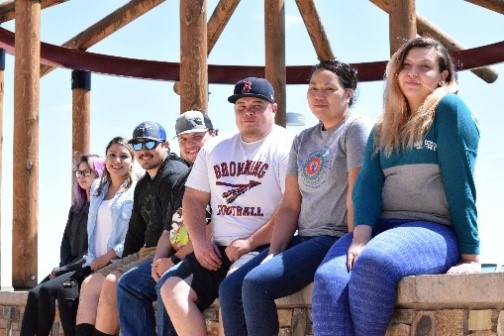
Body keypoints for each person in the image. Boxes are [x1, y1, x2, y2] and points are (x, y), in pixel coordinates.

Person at [312, 37, 481, 336]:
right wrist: (360, 236)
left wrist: (471, 256)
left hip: (433, 229)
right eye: (406, 65)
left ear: (444, 76)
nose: (412, 73)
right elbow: (368, 185)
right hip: (381, 229)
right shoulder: (384, 125)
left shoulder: (451, 110)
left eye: (425, 67)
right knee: (328, 279)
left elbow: (460, 184)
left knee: (375, 263)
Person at [218, 60, 372, 336]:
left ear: (349, 93)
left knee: (255, 285)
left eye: (329, 88)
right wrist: (274, 252)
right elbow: (290, 205)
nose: (318, 95)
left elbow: (357, 194)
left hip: (332, 238)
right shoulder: (303, 139)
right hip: (302, 238)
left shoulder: (355, 130)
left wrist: (353, 243)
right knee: (229, 287)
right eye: (313, 88)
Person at [159, 77, 294, 336]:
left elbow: (290, 207)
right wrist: (199, 242)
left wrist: (250, 243)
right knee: (171, 287)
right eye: (241, 106)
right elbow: (193, 199)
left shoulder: (286, 145)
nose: (248, 112)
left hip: (264, 245)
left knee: (231, 292)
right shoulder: (215, 148)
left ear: (273, 109)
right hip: (217, 249)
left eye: (257, 105)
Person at [77, 121, 189, 336]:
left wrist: (164, 260)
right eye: (137, 145)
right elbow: (135, 234)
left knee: (116, 282)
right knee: (91, 283)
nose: (143, 150)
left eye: (149, 143)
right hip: (144, 251)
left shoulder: (173, 175)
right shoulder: (145, 183)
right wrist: (124, 262)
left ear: (166, 145)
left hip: (167, 252)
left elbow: (176, 232)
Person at [116, 110, 216, 336]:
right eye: (184, 139)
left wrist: (172, 261)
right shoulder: (182, 179)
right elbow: (167, 230)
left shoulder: (219, 173)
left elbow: (216, 229)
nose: (190, 144)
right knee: (129, 284)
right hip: (178, 255)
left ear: (213, 134)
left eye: (197, 137)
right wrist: (159, 261)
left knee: (168, 284)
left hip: (205, 255)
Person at [20, 154, 105, 336]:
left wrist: (64, 269)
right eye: (79, 172)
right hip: (68, 265)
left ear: (98, 173)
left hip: (85, 266)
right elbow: (65, 242)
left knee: (46, 290)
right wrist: (63, 265)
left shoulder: (101, 208)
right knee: (34, 293)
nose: (82, 176)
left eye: (87, 172)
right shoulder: (76, 207)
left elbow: (93, 248)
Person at [73, 137, 137, 335]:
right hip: (95, 263)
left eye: (123, 156)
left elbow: (135, 235)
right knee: (83, 288)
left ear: (132, 160)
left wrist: (108, 257)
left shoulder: (137, 190)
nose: (116, 160)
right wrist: (95, 260)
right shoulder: (96, 190)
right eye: (112, 155)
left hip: (119, 260)